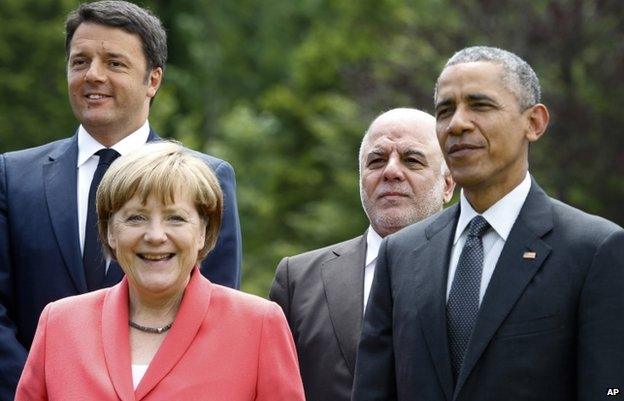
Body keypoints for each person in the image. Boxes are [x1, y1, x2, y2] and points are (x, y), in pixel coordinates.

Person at [352, 46, 624, 401]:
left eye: (479, 105)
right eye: (445, 110)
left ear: (534, 122)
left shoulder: (593, 249)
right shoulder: (401, 253)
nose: (457, 124)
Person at [0, 1, 241, 398]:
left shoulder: (207, 178)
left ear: (153, 81)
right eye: (80, 62)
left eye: (114, 63)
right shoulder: (12, 177)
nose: (93, 75)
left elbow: (211, 311)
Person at [15, 141, 304, 400]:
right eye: (136, 217)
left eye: (175, 218)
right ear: (109, 232)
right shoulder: (60, 324)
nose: (155, 236)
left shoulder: (258, 325)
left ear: (204, 231)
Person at [269, 108, 454, 401]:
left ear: (447, 184)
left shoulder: (473, 273)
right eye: (377, 160)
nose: (391, 171)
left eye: (412, 160)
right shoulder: (299, 280)